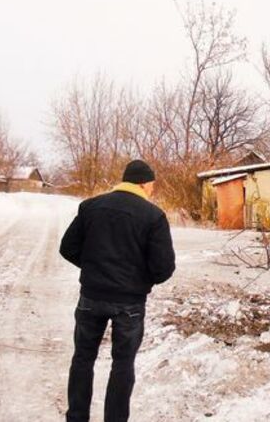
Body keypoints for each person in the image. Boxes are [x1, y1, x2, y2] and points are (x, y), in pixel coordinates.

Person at [60, 159, 176, 422]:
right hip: (130, 303)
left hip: (91, 296)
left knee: (83, 358)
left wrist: (93, 267)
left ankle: (76, 417)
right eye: (152, 185)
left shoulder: (90, 207)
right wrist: (138, 278)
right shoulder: (153, 216)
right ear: (145, 184)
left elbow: (67, 247)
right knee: (122, 364)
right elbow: (163, 267)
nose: (153, 190)